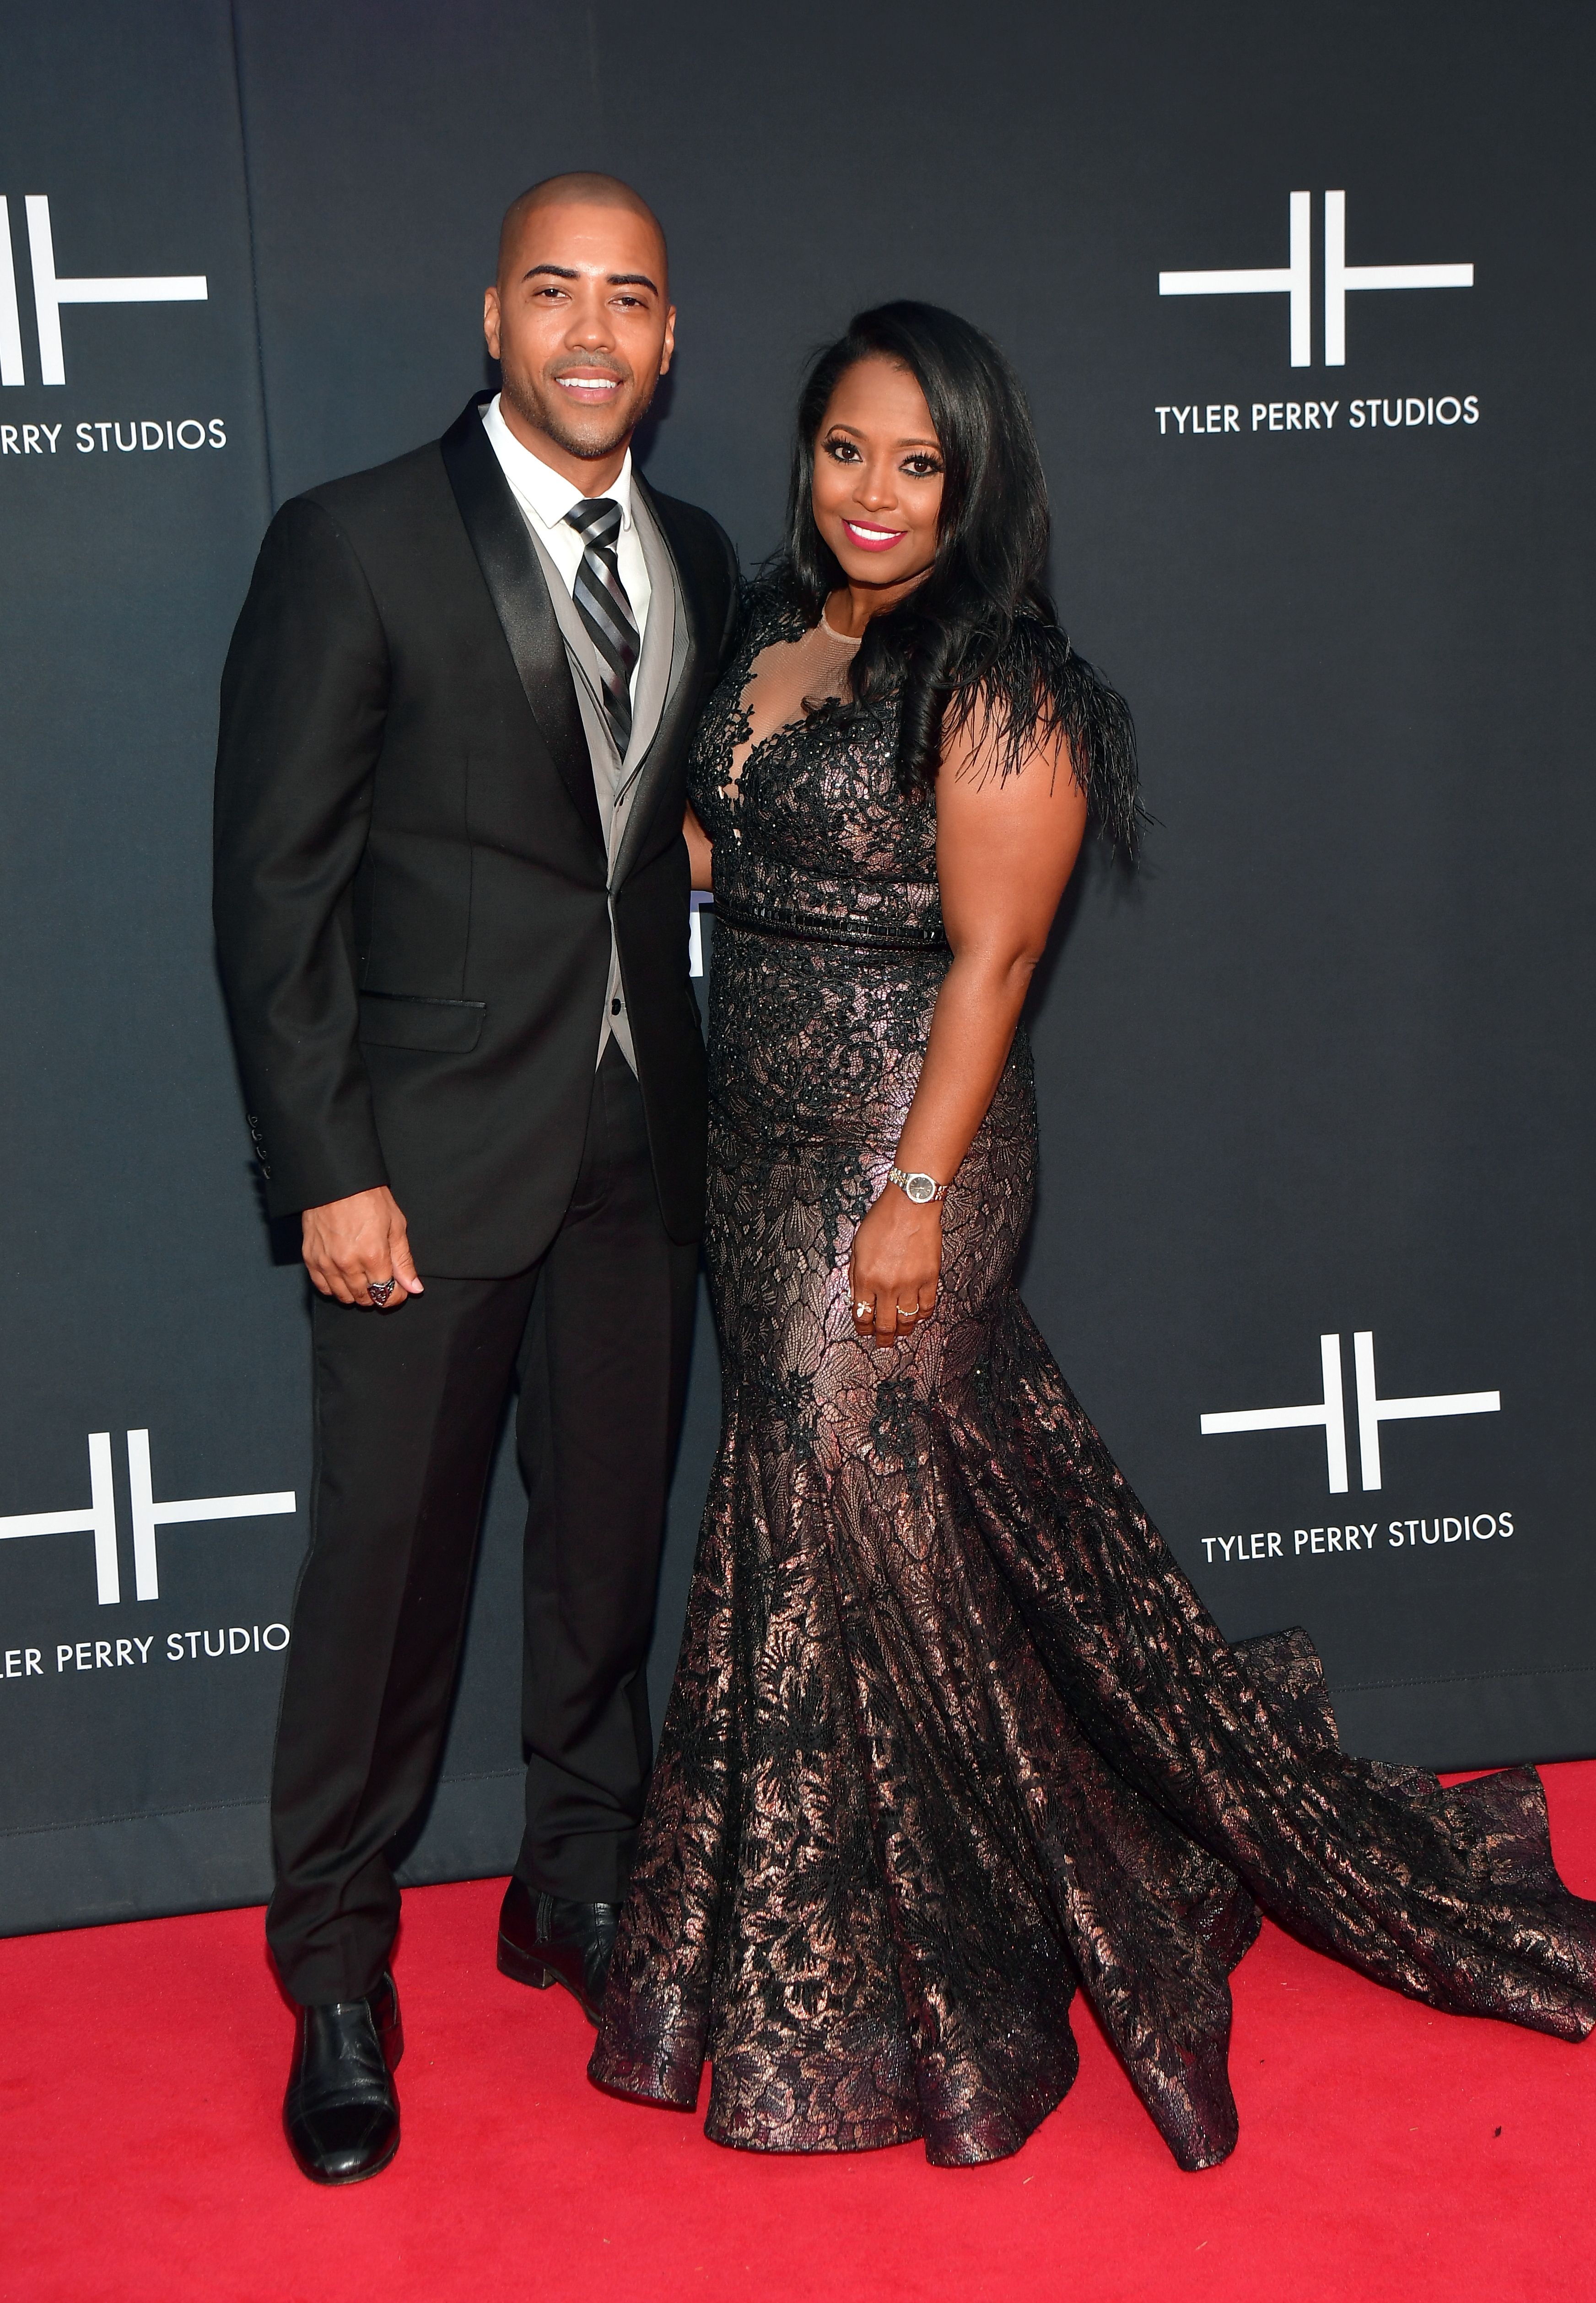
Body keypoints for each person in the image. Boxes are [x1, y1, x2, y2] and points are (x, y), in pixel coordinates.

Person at [587, 303, 1596, 2169]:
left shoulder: (1003, 689)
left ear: (974, 481)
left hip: (905, 1155)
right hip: (751, 1151)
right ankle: (837, 1903)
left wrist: (907, 1198)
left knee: (855, 1493)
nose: (876, 493)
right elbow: (718, 842)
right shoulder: (770, 625)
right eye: (847, 450)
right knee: (817, 1516)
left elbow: (989, 965)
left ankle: (966, 1942)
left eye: (919, 462)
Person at [213, 173, 739, 2185]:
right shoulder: (347, 544)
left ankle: (571, 1884)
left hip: (636, 1150)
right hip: (418, 1176)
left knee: (604, 1547)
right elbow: (272, 895)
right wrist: (325, 1169)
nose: (594, 331)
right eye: (555, 293)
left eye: (632, 298)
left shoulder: (692, 549)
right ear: (492, 320)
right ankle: (337, 1970)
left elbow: (642, 832)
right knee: (383, 1586)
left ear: (670, 339)